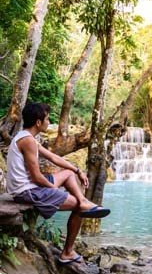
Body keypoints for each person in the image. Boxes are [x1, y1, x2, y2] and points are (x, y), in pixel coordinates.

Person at [6, 102, 110, 264]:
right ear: (38, 122)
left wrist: (77, 171)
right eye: (47, 119)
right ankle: (67, 252)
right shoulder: (27, 141)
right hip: (26, 191)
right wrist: (55, 189)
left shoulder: (28, 137)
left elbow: (53, 158)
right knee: (77, 207)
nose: (49, 122)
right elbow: (36, 177)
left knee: (68, 174)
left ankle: (83, 201)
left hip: (29, 186)